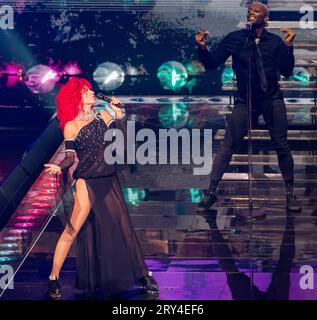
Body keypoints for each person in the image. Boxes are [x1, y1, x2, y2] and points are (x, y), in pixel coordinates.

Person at [44, 78, 159, 299]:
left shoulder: (103, 116)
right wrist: (59, 167)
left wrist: (118, 112)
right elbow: (70, 157)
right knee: (72, 229)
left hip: (108, 179)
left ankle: (144, 276)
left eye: (89, 89)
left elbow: (121, 138)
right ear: (76, 98)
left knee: (123, 227)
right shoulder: (72, 125)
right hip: (87, 181)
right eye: (85, 91)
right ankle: (53, 277)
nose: (91, 93)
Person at [195, 2, 301, 212]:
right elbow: (211, 63)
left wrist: (289, 46)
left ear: (266, 18)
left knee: (282, 146)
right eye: (249, 9)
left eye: (257, 10)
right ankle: (211, 193)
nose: (251, 11)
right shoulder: (235, 39)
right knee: (227, 147)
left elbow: (287, 71)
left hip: (272, 99)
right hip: (245, 101)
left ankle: (290, 194)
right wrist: (202, 48)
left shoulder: (276, 41)